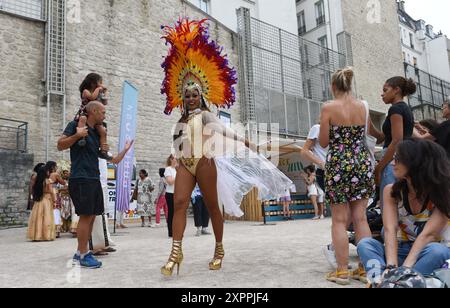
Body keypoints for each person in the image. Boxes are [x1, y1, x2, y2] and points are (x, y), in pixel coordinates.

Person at [159, 19, 292, 276]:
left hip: (206, 163)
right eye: (186, 95)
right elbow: (177, 148)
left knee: (211, 206)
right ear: (182, 98)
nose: (190, 98)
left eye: (194, 95)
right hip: (186, 164)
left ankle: (219, 248)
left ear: (201, 96)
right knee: (180, 202)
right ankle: (176, 252)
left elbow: (226, 132)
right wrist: (176, 158)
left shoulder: (207, 116)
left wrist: (247, 142)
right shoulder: (180, 120)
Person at [358, 139, 450, 285]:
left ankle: (398, 282)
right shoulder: (392, 191)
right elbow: (389, 229)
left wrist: (405, 269)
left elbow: (428, 235)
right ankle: (384, 282)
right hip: (402, 250)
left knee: (437, 251)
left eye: (398, 159)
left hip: (428, 253)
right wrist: (392, 266)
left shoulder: (443, 193)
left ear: (416, 162)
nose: (393, 163)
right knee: (365, 244)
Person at [57, 101, 133, 269]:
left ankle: (80, 252)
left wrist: (125, 150)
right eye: (103, 112)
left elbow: (113, 160)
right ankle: (83, 255)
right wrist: (77, 135)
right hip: (81, 178)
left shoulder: (96, 133)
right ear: (93, 111)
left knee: (91, 217)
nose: (105, 115)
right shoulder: (75, 125)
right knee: (86, 217)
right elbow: (60, 145)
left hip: (93, 179)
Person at [319, 67, 375, 285]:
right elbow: (367, 134)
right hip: (361, 163)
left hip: (339, 165)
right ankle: (364, 268)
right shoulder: (363, 106)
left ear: (334, 87)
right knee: (361, 218)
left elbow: (323, 142)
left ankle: (342, 271)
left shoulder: (328, 107)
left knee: (340, 221)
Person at [368, 77, 416, 210]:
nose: (382, 94)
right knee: (396, 203)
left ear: (396, 90)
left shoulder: (396, 109)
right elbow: (381, 138)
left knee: (389, 205)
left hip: (393, 160)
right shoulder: (403, 109)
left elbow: (396, 141)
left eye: (385, 90)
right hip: (401, 159)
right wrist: (368, 119)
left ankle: (389, 230)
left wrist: (379, 167)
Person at [76, 73, 112, 160]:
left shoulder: (99, 93)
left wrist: (104, 92)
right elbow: (92, 98)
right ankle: (82, 139)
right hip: (85, 113)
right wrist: (98, 89)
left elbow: (105, 102)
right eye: (100, 82)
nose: (101, 84)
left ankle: (103, 151)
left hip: (95, 117)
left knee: (103, 131)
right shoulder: (85, 91)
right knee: (82, 120)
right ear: (93, 83)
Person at [27, 165, 56, 241]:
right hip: (47, 200)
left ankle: (36, 235)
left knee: (37, 218)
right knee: (47, 218)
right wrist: (54, 199)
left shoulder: (37, 181)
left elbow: (33, 190)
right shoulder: (47, 181)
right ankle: (46, 235)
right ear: (45, 172)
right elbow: (51, 191)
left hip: (38, 200)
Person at [47, 161, 67, 238]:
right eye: (56, 166)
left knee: (49, 210)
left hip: (47, 193)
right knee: (56, 210)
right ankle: (56, 230)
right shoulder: (55, 174)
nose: (56, 168)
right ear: (53, 167)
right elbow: (63, 182)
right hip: (54, 193)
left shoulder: (46, 174)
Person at [165, 155, 177, 237]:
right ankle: (171, 232)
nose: (175, 159)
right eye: (174, 158)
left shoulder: (178, 169)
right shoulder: (168, 169)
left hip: (178, 193)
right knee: (171, 213)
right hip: (170, 194)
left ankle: (177, 230)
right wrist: (178, 175)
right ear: (170, 159)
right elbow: (170, 182)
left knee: (178, 213)